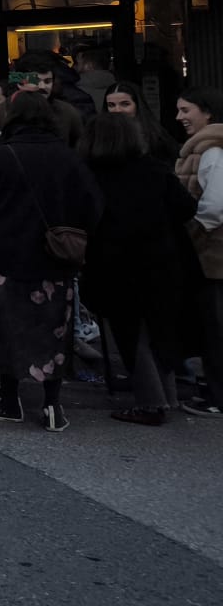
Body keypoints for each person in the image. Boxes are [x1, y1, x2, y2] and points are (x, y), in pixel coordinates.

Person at [0, 93, 100, 431]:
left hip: (11, 256)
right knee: (55, 329)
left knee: (8, 329)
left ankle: (10, 400)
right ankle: (52, 404)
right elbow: (93, 203)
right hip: (57, 258)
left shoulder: (1, 155)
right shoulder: (68, 158)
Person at [84, 112, 199, 425]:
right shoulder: (155, 170)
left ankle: (150, 402)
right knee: (159, 328)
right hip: (162, 259)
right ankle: (168, 394)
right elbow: (186, 208)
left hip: (115, 262)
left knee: (130, 332)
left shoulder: (93, 174)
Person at [173, 88, 223, 417]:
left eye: (186, 110)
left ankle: (217, 397)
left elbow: (215, 205)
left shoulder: (211, 150)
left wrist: (193, 228)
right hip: (211, 252)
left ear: (206, 112)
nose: (180, 117)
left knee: (216, 327)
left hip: (212, 254)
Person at [106, 81, 178, 163]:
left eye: (125, 104)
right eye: (111, 105)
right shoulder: (100, 135)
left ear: (138, 105)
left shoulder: (155, 137)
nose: (117, 110)